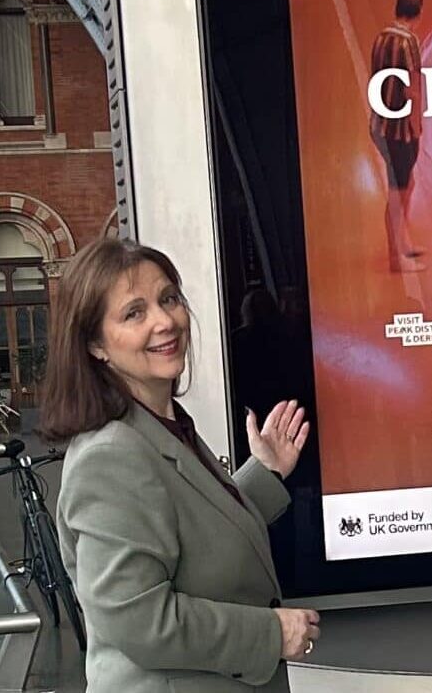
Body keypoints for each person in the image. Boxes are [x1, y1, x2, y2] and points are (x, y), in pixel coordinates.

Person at [42, 238, 318, 691]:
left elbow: (189, 530)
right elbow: (139, 620)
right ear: (95, 344)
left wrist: (263, 476)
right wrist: (271, 633)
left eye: (168, 298)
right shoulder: (111, 457)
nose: (164, 321)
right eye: (134, 312)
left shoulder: (161, 425)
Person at [369, 0, 425, 272]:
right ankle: (395, 258)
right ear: (418, 13)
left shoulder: (381, 37)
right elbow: (413, 88)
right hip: (399, 130)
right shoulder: (409, 41)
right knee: (398, 190)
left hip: (379, 125)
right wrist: (417, 128)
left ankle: (401, 242)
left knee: (406, 184)